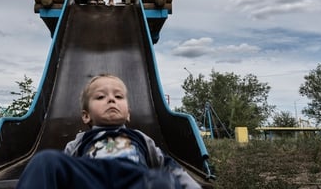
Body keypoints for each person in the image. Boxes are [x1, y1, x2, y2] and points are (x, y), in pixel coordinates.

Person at [16, 74, 202, 189]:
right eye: (100, 96)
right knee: (45, 159)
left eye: (118, 96)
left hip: (133, 179)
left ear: (128, 114)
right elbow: (64, 168)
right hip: (91, 180)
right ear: (86, 116)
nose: (111, 100)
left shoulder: (141, 138)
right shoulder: (80, 140)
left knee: (162, 180)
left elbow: (168, 165)